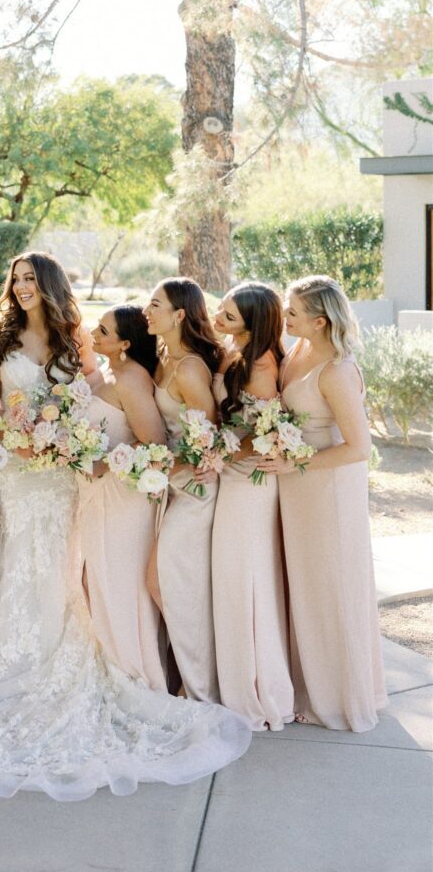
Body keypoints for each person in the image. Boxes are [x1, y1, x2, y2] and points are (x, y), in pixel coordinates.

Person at [0, 252, 251, 801]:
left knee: (73, 565)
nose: (20, 287)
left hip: (70, 471)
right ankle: (19, 664)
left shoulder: (74, 337)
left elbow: (99, 393)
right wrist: (19, 438)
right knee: (23, 559)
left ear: (48, 285)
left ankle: (90, 657)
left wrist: (67, 439)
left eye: (29, 279)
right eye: (14, 279)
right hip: (19, 469)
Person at [257, 275, 386, 731]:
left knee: (329, 585)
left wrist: (297, 464)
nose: (284, 318)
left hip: (325, 487)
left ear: (318, 320)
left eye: (292, 312)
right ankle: (305, 682)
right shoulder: (297, 350)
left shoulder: (336, 371)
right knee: (304, 583)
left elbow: (358, 447)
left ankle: (336, 696)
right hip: (298, 484)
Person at [211, 282, 294, 731]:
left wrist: (218, 451)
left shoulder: (262, 364)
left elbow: (259, 433)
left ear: (253, 323)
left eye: (228, 316)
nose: (219, 320)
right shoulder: (234, 350)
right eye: (221, 311)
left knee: (243, 578)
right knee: (231, 577)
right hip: (229, 475)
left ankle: (254, 690)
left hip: (250, 482)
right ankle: (234, 681)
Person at [144, 278, 223, 702]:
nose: (147, 310)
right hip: (170, 485)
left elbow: (205, 439)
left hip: (195, 489)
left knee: (163, 581)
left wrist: (159, 464)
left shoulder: (190, 368)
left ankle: (197, 686)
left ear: (179, 315)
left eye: (155, 304)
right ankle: (179, 674)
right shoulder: (161, 358)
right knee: (170, 583)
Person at [81, 305, 167, 689]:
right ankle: (105, 665)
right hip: (95, 494)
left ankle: (131, 671)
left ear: (125, 344)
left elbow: (155, 445)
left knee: (119, 582)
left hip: (122, 496)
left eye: (103, 330)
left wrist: (105, 465)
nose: (93, 333)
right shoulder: (109, 374)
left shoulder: (131, 379)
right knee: (97, 579)